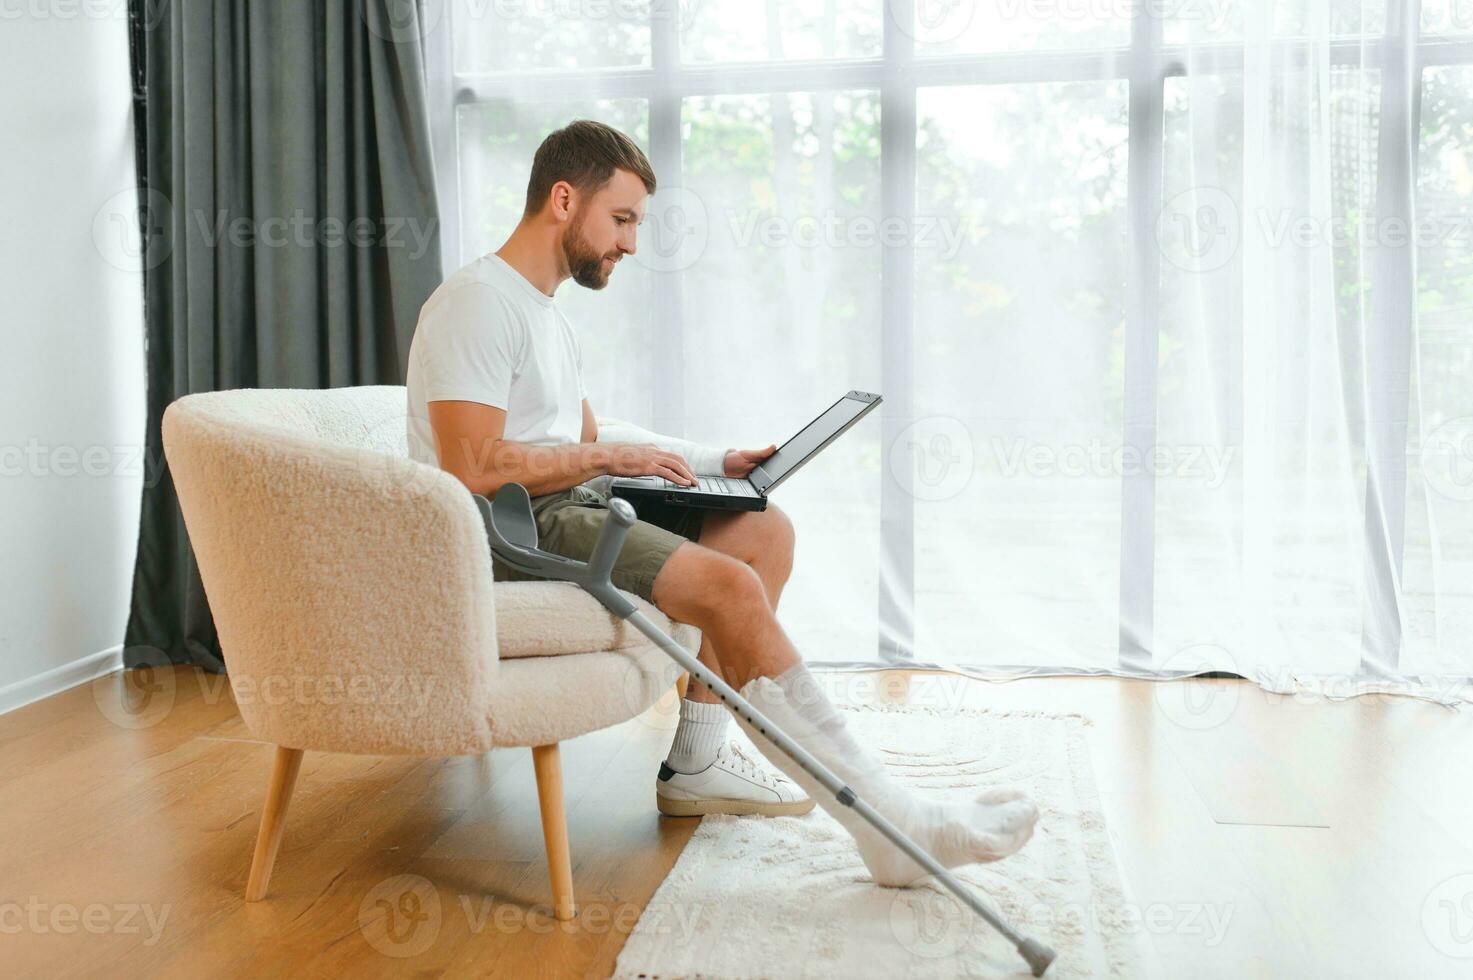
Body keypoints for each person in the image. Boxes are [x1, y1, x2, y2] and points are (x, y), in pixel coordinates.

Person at [405, 120, 1038, 886]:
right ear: (564, 200)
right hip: (512, 529)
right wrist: (606, 457)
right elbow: (471, 466)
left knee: (760, 533)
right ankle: (889, 823)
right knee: (730, 587)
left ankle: (698, 763)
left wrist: (713, 463)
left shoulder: (542, 311)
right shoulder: (476, 303)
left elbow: (590, 438)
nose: (631, 244)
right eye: (623, 219)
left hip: (566, 501)